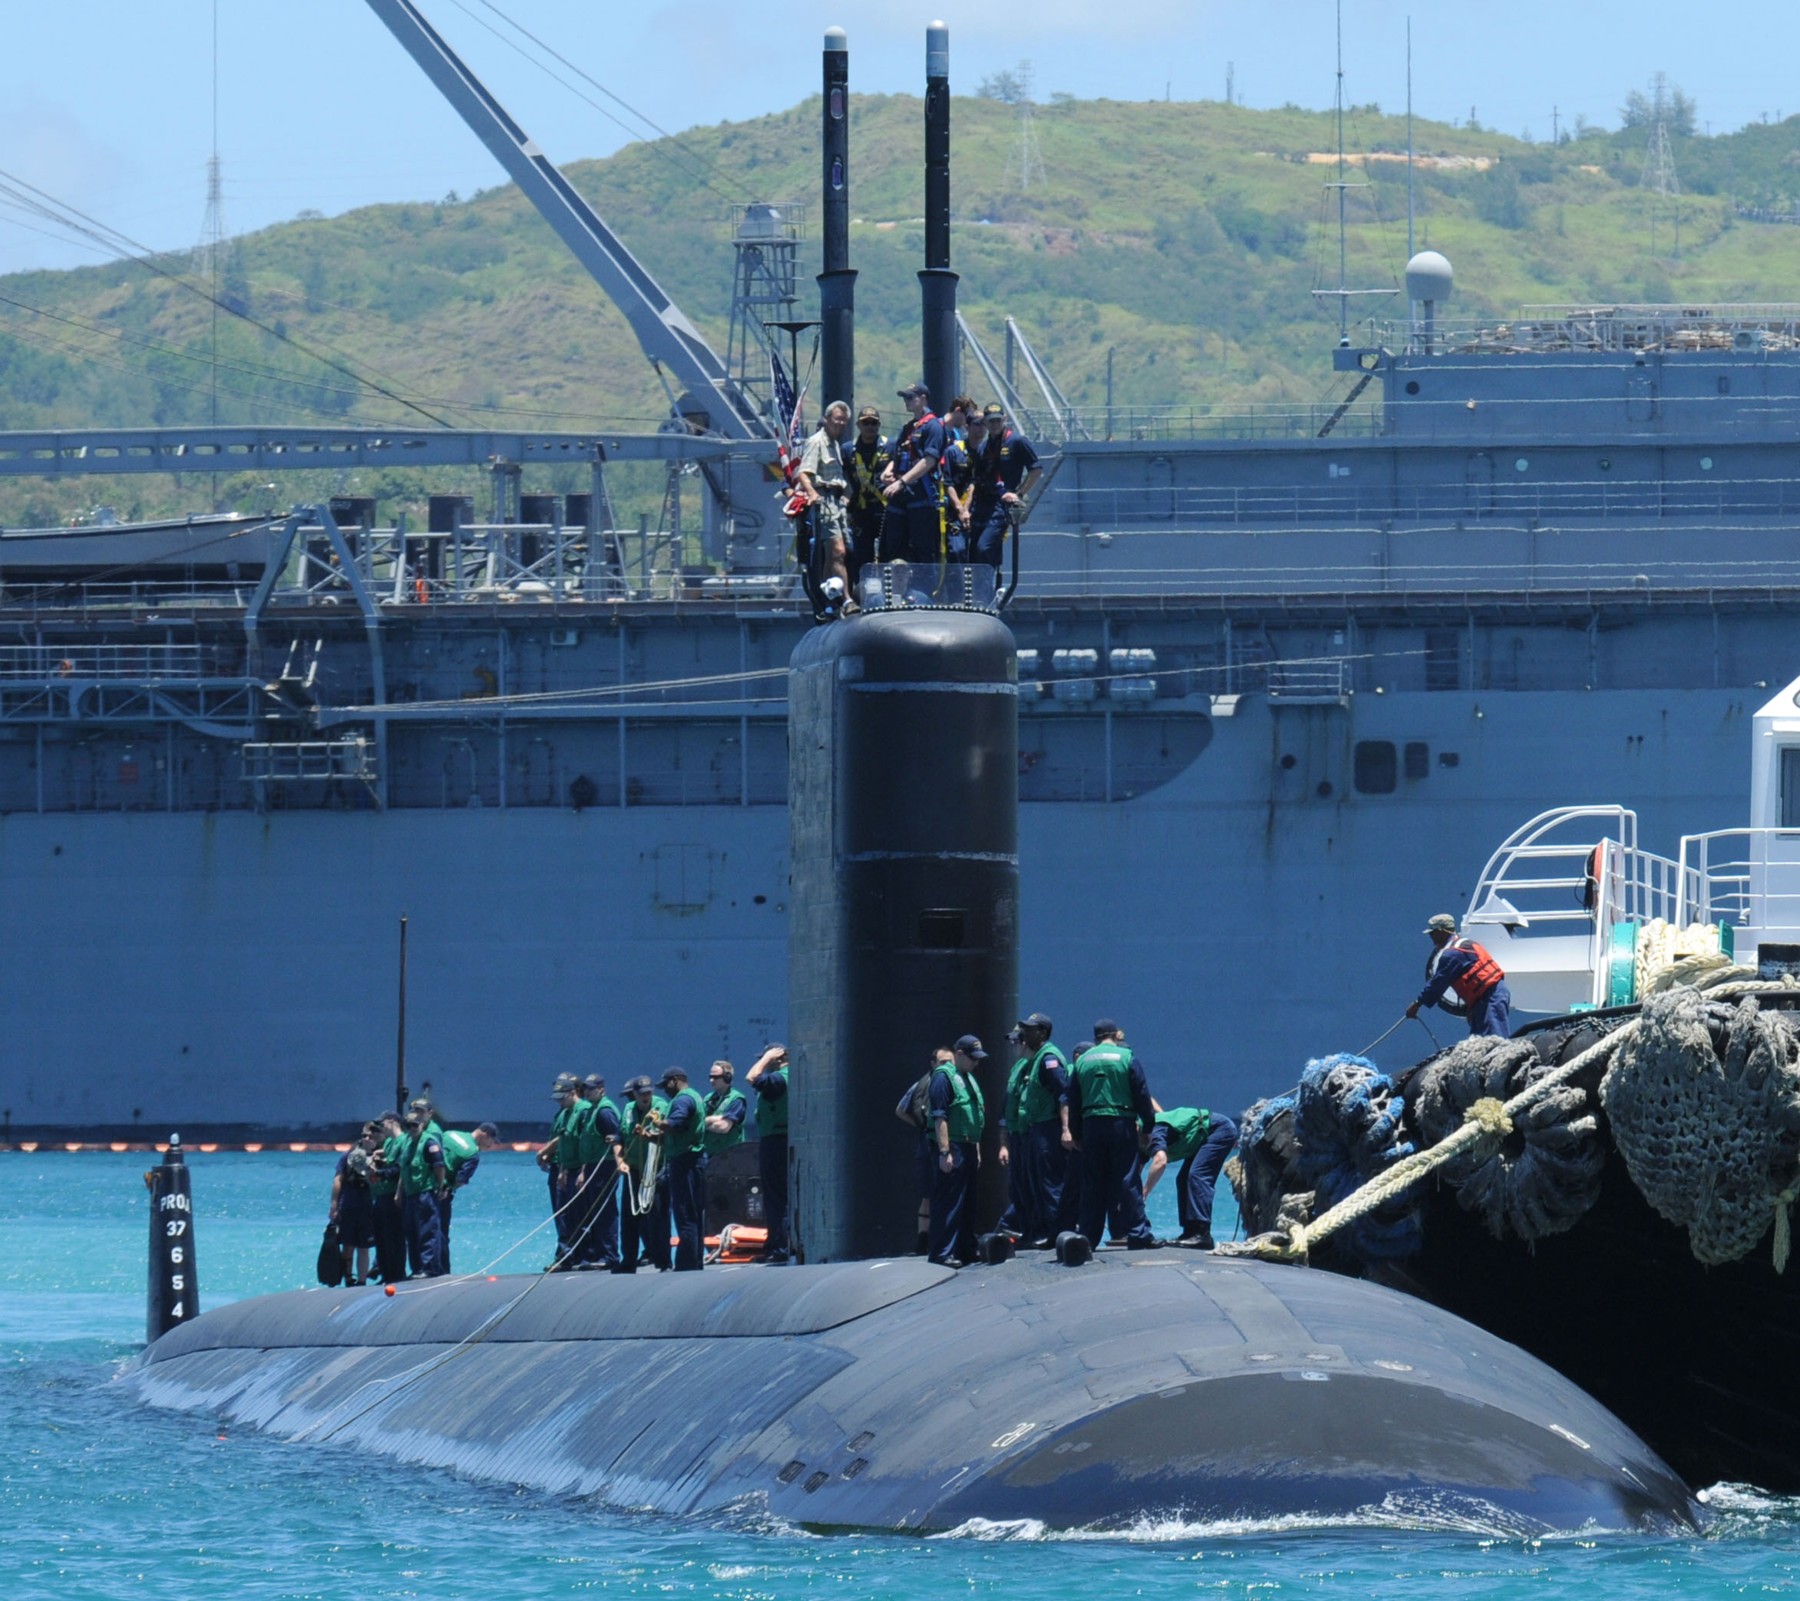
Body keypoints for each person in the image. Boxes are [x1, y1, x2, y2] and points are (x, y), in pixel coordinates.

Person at [1068, 1019, 1158, 1251]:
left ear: (1096, 1037)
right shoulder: (1127, 1057)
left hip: (1091, 1125)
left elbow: (1073, 1099)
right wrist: (1148, 1127)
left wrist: (1076, 1133)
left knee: (1093, 1183)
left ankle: (1088, 1237)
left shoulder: (1082, 1061)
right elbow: (1141, 1093)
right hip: (1122, 1123)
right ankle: (1138, 1234)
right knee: (1128, 1179)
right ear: (1116, 1036)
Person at [1008, 1012, 1073, 1247]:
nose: (1024, 1033)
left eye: (1030, 1029)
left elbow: (1063, 1094)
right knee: (1035, 1184)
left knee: (1050, 1183)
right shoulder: (1034, 1061)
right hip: (1035, 1129)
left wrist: (1066, 1128)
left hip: (1048, 1129)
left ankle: (1061, 1234)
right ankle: (1042, 1232)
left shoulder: (1049, 1059)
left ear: (1043, 1033)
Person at [927, 1035, 988, 1267]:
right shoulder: (944, 1078)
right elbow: (940, 1117)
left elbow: (975, 1117)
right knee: (949, 1201)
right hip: (953, 1147)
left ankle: (967, 1248)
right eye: (973, 1059)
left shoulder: (968, 1078)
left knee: (968, 1203)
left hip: (969, 1145)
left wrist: (977, 1148)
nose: (976, 1063)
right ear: (959, 1055)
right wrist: (944, 1152)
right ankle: (942, 1253)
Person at [1141, 1105, 1237, 1250]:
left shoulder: (1154, 1130)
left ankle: (1202, 1234)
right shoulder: (1138, 1141)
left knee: (1198, 1175)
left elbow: (1160, 1162)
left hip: (1219, 1130)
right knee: (1183, 1179)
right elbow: (1134, 1172)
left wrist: (1144, 1193)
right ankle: (1190, 1232)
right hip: (1200, 1138)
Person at [1407, 913, 1512, 1038]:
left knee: (1495, 1038)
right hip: (1483, 999)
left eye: (1433, 932)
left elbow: (1437, 983)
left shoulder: (1453, 953)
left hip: (1491, 997)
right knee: (1479, 1040)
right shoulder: (1466, 943)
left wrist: (1417, 1004)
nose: (1431, 936)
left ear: (1442, 931)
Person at [879, 382, 946, 564]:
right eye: (904, 398)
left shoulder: (934, 427)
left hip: (921, 495)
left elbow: (929, 460)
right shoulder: (908, 428)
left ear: (923, 399)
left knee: (922, 547)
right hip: (900, 494)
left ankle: (923, 590)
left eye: (910, 397)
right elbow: (898, 455)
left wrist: (901, 483)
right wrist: (888, 472)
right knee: (894, 544)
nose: (906, 401)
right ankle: (895, 588)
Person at [968, 402, 1042, 567]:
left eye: (998, 421)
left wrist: (1019, 494)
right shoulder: (983, 447)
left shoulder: (1017, 441)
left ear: (1004, 420)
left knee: (984, 548)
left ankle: (991, 588)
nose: (994, 425)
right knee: (973, 552)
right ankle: (983, 590)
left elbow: (1036, 470)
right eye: (991, 421)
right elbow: (976, 480)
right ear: (985, 422)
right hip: (981, 505)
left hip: (1000, 505)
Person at [796, 400, 855, 607]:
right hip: (825, 501)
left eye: (843, 421)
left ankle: (828, 596)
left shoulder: (835, 444)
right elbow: (803, 472)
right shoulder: (816, 442)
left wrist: (846, 498)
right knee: (838, 550)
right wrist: (812, 493)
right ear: (827, 419)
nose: (840, 424)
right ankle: (846, 598)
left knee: (834, 553)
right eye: (836, 419)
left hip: (837, 502)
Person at [897, 1047, 951, 1252]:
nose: (947, 1066)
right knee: (931, 1193)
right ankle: (933, 1239)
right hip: (938, 1142)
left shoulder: (921, 1083)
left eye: (950, 1062)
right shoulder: (947, 1083)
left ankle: (924, 1241)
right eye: (943, 1062)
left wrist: (920, 1126)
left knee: (928, 1194)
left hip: (927, 1139)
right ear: (933, 1063)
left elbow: (901, 1110)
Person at [617, 1076, 672, 1273]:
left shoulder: (661, 1106)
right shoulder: (628, 1110)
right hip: (633, 1169)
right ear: (635, 1094)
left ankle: (663, 1260)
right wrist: (619, 1160)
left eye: (648, 1092)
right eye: (642, 1093)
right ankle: (628, 1260)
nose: (646, 1096)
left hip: (654, 1168)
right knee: (630, 1216)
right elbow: (620, 1136)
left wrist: (649, 1133)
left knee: (658, 1216)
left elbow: (667, 1132)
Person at [570, 1076, 625, 1271]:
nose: (587, 1092)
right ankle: (599, 1252)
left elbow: (617, 1138)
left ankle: (610, 1255)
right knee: (596, 1210)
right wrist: (584, 1171)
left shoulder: (604, 1111)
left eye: (592, 1089)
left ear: (601, 1090)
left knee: (605, 1211)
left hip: (605, 1165)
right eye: (585, 1089)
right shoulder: (592, 1110)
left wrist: (619, 1162)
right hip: (593, 1166)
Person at [658, 1068, 709, 1271]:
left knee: (685, 1215)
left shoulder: (683, 1099)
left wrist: (658, 1122)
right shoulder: (695, 1096)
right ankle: (695, 1261)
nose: (665, 1091)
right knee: (695, 1215)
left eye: (666, 1085)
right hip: (694, 1161)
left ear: (676, 1080)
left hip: (685, 1163)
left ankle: (686, 1264)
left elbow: (677, 1123)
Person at [435, 1120, 499, 1274]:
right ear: (484, 1135)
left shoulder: (450, 1133)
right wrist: (449, 1187)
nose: (490, 1146)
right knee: (441, 1234)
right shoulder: (472, 1153)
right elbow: (460, 1180)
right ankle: (443, 1272)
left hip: (424, 1186)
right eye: (490, 1141)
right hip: (442, 1193)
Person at [746, 1043, 790, 1263]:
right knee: (776, 1197)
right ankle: (775, 1244)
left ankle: (780, 1247)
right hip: (776, 1140)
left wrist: (766, 1059)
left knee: (776, 1197)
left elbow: (752, 1077)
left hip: (777, 1142)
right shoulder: (783, 1078)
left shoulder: (780, 1079)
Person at [397, 1102, 450, 1278]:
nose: (411, 1128)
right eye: (408, 1125)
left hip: (426, 1193)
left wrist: (441, 1185)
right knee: (411, 1233)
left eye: (415, 1125)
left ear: (421, 1124)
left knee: (428, 1231)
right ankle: (417, 1268)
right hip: (411, 1194)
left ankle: (430, 1268)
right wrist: (399, 1193)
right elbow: (403, 1171)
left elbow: (439, 1165)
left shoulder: (429, 1142)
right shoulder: (408, 1144)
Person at [842, 406, 890, 583]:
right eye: (865, 423)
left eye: (874, 423)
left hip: (884, 509)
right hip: (860, 511)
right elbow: (843, 479)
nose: (870, 426)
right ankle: (862, 592)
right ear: (858, 425)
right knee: (862, 555)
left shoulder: (889, 446)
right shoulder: (848, 450)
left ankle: (888, 591)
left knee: (887, 552)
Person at [538, 1073, 581, 1266]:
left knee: (570, 1213)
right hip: (560, 1164)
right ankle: (565, 1252)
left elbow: (568, 1138)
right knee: (561, 1213)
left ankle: (571, 1252)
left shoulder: (580, 1111)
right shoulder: (563, 1112)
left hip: (571, 1166)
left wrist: (544, 1151)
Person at [329, 1122, 379, 1286]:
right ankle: (348, 1277)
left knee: (364, 1246)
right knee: (348, 1244)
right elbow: (338, 1179)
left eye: (371, 1136)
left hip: (367, 1207)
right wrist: (334, 1205)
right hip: (349, 1205)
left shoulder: (379, 1157)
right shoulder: (349, 1155)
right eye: (364, 1135)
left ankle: (362, 1280)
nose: (367, 1139)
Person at [368, 1110, 407, 1284]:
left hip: (392, 1195)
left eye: (382, 1123)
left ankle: (396, 1274)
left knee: (394, 1237)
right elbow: (389, 1159)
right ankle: (385, 1273)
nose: (380, 1127)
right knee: (381, 1237)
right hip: (380, 1195)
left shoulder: (402, 1141)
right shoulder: (389, 1142)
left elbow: (399, 1168)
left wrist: (380, 1173)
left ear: (392, 1122)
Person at [703, 1061, 748, 1158]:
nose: (711, 1080)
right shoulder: (708, 1099)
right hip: (709, 1154)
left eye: (716, 1077)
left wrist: (704, 1124)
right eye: (710, 1077)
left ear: (727, 1077)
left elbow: (723, 1127)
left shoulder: (737, 1099)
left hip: (731, 1156)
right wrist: (720, 1117)